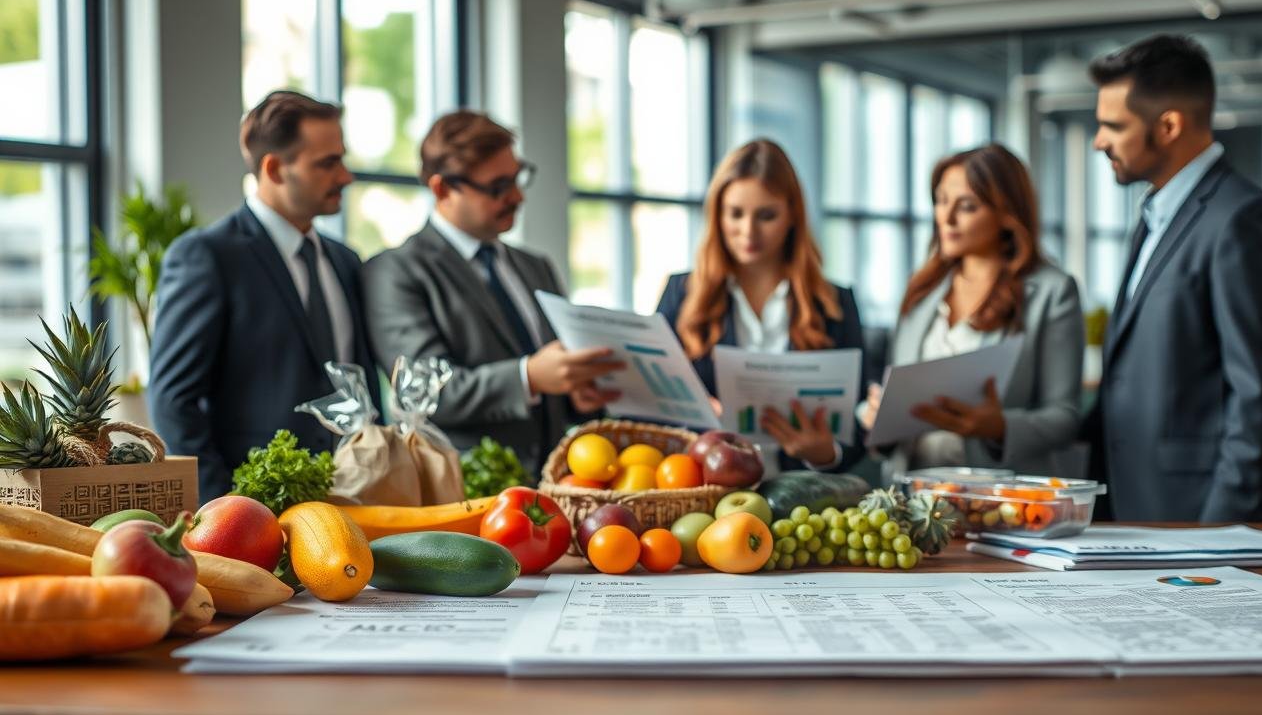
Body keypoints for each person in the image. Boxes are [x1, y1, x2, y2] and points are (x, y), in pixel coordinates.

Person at [1084, 34, 1262, 522]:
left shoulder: (1243, 220)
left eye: (1112, 126)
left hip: (1203, 523)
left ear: (1168, 126)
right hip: (1138, 512)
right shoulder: (1153, 219)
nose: (1099, 141)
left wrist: (1216, 536)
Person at [150, 90, 383, 502]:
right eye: (328, 163)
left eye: (342, 159)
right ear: (274, 168)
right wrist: (222, 507)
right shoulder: (207, 256)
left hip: (355, 502)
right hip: (253, 507)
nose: (346, 176)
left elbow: (362, 386)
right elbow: (173, 400)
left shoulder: (346, 261)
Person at [363, 111, 622, 476]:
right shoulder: (395, 272)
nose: (517, 196)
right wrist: (529, 376)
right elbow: (428, 395)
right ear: (442, 189)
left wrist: (576, 393)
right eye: (498, 187)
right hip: (465, 488)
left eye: (517, 179)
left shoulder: (535, 266)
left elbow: (555, 377)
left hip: (555, 482)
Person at [859, 144, 1084, 478]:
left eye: (966, 206)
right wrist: (877, 416)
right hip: (912, 498)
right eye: (940, 201)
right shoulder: (921, 292)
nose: (946, 218)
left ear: (1007, 213)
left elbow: (1064, 417)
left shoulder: (1052, 292)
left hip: (999, 498)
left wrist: (997, 427)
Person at [656, 139, 864, 475]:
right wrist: (690, 416)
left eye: (766, 215)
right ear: (717, 215)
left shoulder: (835, 304)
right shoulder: (682, 293)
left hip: (802, 497)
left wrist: (825, 452)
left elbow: (858, 428)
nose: (748, 231)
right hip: (701, 488)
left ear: (792, 217)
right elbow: (649, 405)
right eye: (735, 214)